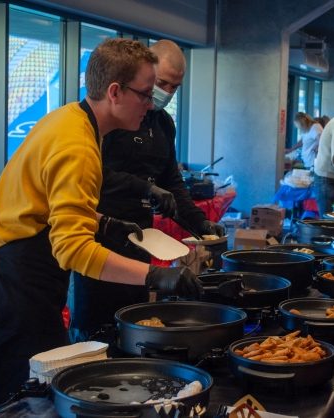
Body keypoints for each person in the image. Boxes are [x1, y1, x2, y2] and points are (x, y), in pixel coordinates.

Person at [0, 39, 202, 407]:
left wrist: (104, 223)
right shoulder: (78, 145)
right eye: (145, 93)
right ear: (114, 92)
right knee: (23, 405)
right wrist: (154, 275)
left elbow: (50, 203)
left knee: (37, 398)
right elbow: (73, 250)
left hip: (20, 279)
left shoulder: (72, 119)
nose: (150, 104)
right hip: (13, 286)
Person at [68, 39, 223, 342]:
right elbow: (94, 173)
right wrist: (145, 187)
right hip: (99, 235)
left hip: (142, 238)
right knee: (96, 330)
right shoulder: (101, 120)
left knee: (135, 322)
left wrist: (199, 223)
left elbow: (172, 183)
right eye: (160, 83)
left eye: (174, 87)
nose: (164, 93)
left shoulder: (162, 123)